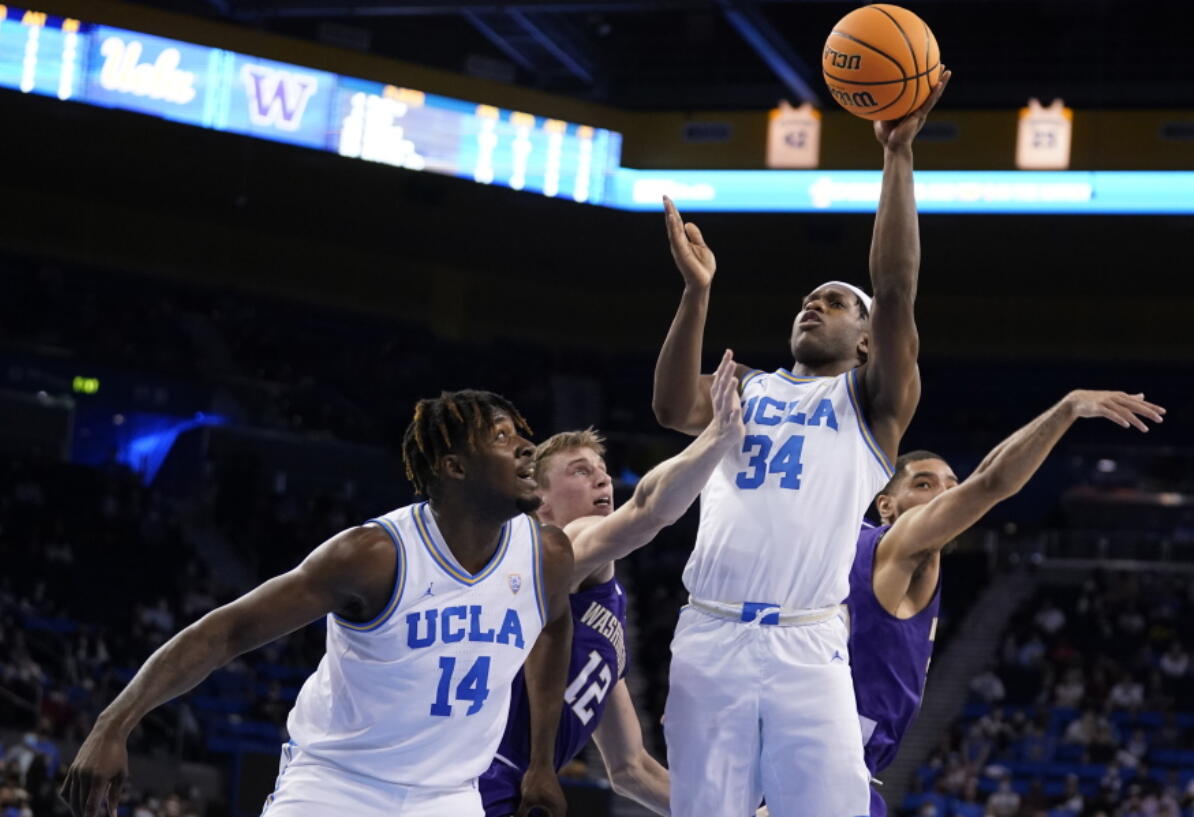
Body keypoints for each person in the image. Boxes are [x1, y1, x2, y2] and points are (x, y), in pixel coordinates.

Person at [652, 66, 951, 816]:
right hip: (711, 628)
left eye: (838, 302)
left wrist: (897, 156)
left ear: (866, 340)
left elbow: (898, 283)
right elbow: (668, 405)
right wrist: (696, 294)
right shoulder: (745, 385)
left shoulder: (872, 402)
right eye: (809, 299)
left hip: (809, 644)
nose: (815, 306)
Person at [61, 390, 575, 817]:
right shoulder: (373, 556)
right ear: (454, 466)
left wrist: (542, 762)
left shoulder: (546, 556)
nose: (529, 446)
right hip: (336, 786)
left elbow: (553, 629)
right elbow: (229, 631)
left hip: (449, 797)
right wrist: (113, 724)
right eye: (504, 437)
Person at [849, 389, 1164, 816]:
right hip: (822, 760)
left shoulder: (872, 548)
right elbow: (992, 483)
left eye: (950, 486)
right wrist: (1067, 408)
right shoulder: (898, 546)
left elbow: (984, 476)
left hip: (833, 762)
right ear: (886, 505)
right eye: (924, 485)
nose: (943, 495)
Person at [481, 351, 744, 817]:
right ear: (540, 500)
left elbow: (630, 769)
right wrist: (718, 435)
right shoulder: (556, 546)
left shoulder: (608, 606)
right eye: (580, 470)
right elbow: (647, 512)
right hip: (470, 782)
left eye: (601, 470)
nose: (601, 477)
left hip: (510, 791)